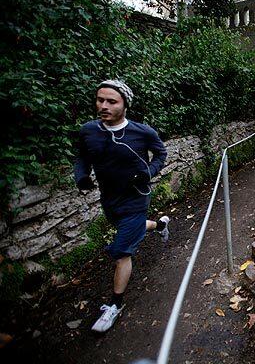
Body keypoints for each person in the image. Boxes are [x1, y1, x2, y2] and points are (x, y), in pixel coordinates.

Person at [74, 80, 169, 333]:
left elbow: (161, 154)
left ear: (125, 104)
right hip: (110, 200)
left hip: (136, 197)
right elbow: (82, 156)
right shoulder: (88, 131)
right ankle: (160, 224)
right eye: (100, 100)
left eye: (111, 101)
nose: (103, 106)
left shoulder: (142, 132)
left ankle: (115, 304)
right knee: (130, 228)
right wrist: (81, 176)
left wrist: (148, 172)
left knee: (121, 251)